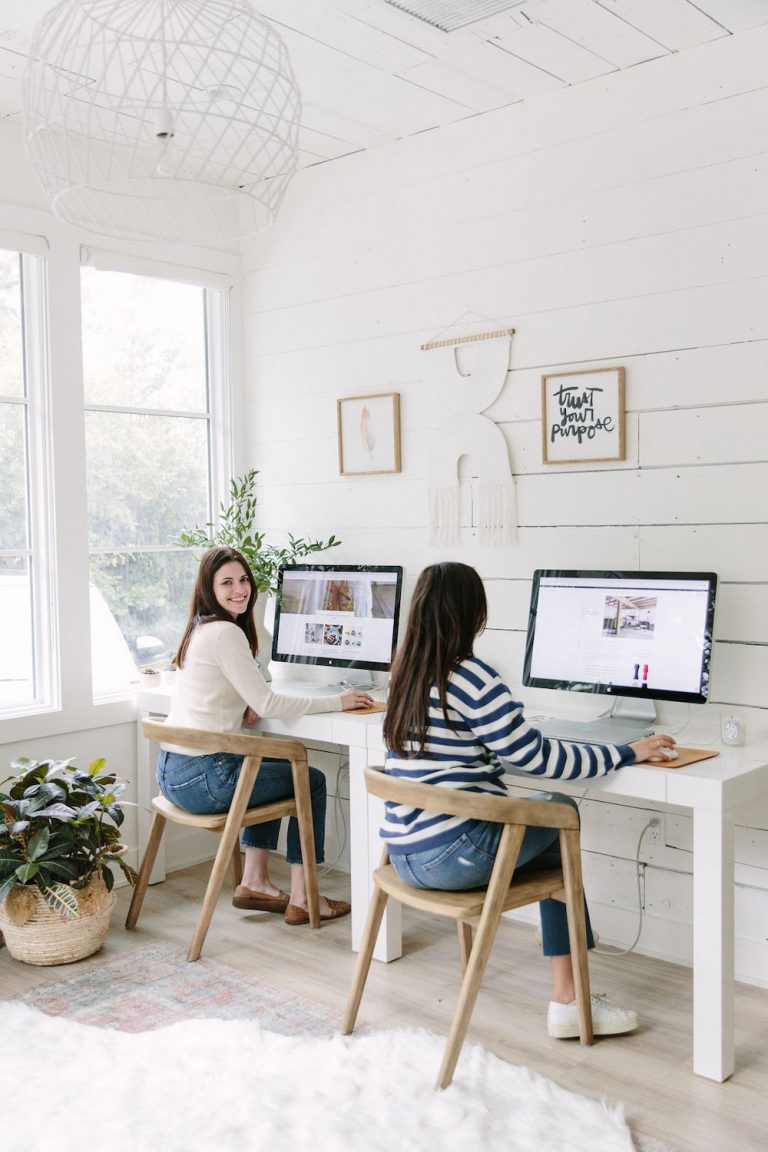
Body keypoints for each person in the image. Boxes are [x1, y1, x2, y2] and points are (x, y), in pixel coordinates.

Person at [381, 562, 677, 1039]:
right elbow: (536, 757)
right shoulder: (473, 679)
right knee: (561, 811)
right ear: (475, 615)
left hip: (405, 857)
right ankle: (568, 999)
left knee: (551, 824)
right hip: (452, 858)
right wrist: (624, 752)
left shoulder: (404, 677)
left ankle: (570, 996)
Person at [157, 546, 374, 926]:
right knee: (311, 779)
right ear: (209, 589)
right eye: (227, 582)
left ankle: (256, 881)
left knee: (269, 763)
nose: (239, 589)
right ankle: (305, 897)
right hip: (206, 778)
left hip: (175, 774)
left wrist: (248, 697)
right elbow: (270, 703)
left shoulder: (201, 628)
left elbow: (250, 693)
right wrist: (339, 702)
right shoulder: (225, 632)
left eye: (243, 580)